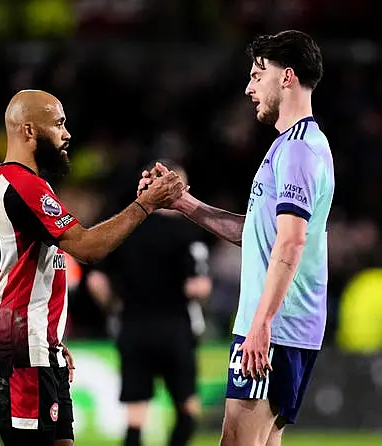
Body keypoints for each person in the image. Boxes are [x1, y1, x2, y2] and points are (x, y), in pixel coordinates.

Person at [138, 30, 333, 446]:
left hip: (274, 327)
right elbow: (260, 235)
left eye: (258, 75)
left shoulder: (298, 149)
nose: (249, 88)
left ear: (287, 77)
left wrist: (261, 323)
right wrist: (185, 203)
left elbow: (291, 242)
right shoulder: (292, 147)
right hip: (279, 325)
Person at [0, 89, 186, 446]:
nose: (66, 134)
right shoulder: (24, 185)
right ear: (28, 131)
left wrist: (49, 334)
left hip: (34, 338)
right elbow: (88, 248)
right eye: (58, 124)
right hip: (21, 343)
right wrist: (146, 204)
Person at [86, 163, 212, 446]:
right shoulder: (186, 234)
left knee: (135, 416)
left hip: (133, 327)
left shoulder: (123, 229)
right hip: (175, 328)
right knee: (187, 408)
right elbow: (199, 286)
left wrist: (113, 307)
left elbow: (96, 281)